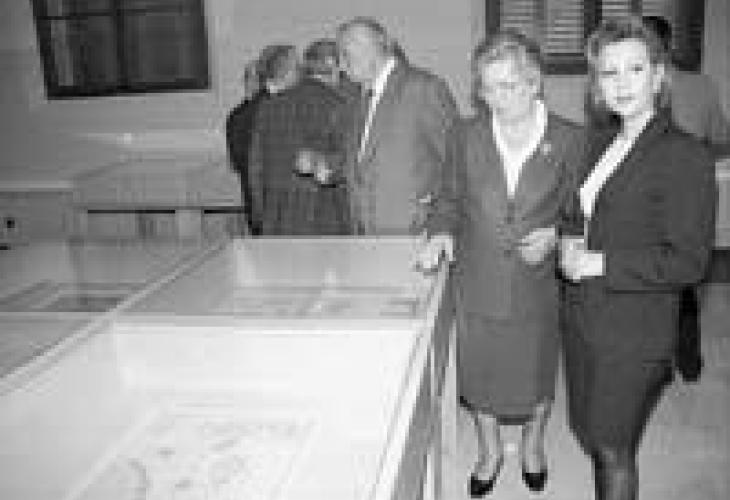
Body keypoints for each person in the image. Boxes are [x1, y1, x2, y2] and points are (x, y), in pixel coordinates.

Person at [559, 17, 716, 500]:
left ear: (658, 75)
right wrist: (568, 240)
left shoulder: (683, 155)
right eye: (609, 72)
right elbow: (578, 211)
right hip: (585, 317)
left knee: (612, 449)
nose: (622, 83)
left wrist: (601, 263)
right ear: (596, 83)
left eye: (635, 69)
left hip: (634, 331)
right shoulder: (601, 141)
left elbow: (689, 262)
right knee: (590, 434)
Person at [421, 31, 583, 497]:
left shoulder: (570, 138)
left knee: (536, 373)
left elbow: (583, 214)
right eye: (487, 88)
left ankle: (533, 446)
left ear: (534, 82)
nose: (496, 99)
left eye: (508, 86)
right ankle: (489, 451)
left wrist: (556, 236)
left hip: (536, 283)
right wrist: (440, 231)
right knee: (480, 373)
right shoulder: (465, 134)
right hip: (478, 278)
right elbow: (448, 197)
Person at [642, 15, 730, 383]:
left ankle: (667, 363)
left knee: (658, 282)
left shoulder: (633, 89)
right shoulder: (702, 85)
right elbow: (721, 140)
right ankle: (685, 362)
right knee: (680, 280)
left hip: (659, 202)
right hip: (678, 201)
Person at [336, 17, 458, 235]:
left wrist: (436, 208)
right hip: (363, 232)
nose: (341, 65)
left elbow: (457, 158)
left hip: (414, 229)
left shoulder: (423, 87)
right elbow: (363, 163)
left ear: (370, 49)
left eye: (345, 54)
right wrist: (329, 166)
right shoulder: (357, 97)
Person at [269, 38, 352, 235]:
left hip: (277, 218)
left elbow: (256, 167)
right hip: (327, 218)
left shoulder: (270, 105)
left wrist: (261, 216)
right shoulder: (340, 106)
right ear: (332, 63)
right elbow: (348, 162)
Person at [246, 44, 304, 235]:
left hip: (276, 214)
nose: (303, 73)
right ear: (289, 72)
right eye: (298, 67)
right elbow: (254, 168)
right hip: (274, 213)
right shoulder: (256, 110)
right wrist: (260, 214)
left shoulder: (267, 105)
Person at [225, 58, 269, 235]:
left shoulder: (235, 116)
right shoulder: (274, 110)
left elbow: (235, 163)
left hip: (252, 200)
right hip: (275, 201)